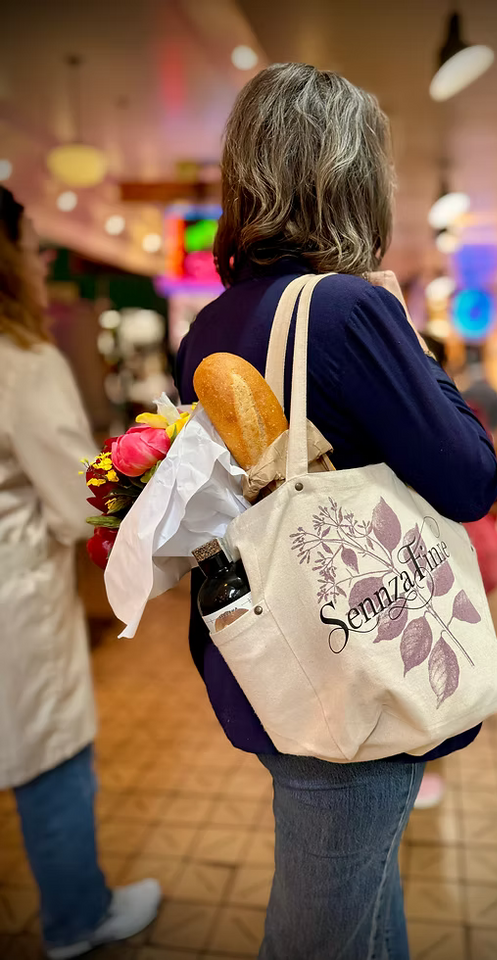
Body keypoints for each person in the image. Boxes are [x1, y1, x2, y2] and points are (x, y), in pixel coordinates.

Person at [175, 64, 497, 960]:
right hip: (359, 661)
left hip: (273, 653)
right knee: (319, 928)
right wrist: (413, 337)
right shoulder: (354, 309)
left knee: (361, 897)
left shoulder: (208, 326)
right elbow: (472, 478)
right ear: (352, 178)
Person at [0, 186, 161, 959]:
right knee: (50, 751)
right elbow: (74, 505)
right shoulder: (21, 361)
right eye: (32, 247)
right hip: (17, 600)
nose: (39, 263)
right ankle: (76, 916)